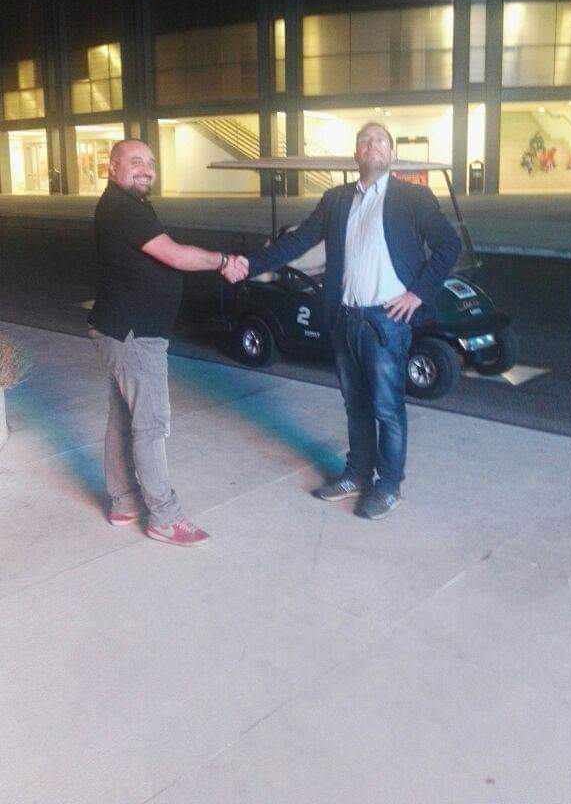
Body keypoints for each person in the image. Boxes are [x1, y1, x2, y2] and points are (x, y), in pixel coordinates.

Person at [226, 122, 461, 520]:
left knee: (387, 408)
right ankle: (356, 474)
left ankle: (388, 485)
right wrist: (249, 264)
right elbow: (297, 242)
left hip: (386, 320)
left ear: (392, 154)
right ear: (356, 155)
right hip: (345, 317)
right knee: (355, 405)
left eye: (381, 140)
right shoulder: (335, 200)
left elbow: (448, 245)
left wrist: (418, 293)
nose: (373, 146)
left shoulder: (413, 198)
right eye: (365, 141)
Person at [88, 139, 246, 546]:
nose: (146, 169)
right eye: (135, 162)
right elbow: (174, 255)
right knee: (151, 424)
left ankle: (123, 502)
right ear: (112, 168)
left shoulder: (130, 205)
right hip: (134, 333)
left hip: (122, 327)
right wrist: (223, 261)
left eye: (150, 163)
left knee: (124, 417)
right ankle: (164, 516)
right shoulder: (122, 207)